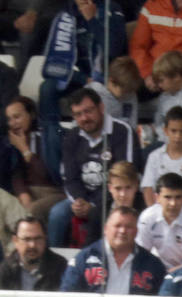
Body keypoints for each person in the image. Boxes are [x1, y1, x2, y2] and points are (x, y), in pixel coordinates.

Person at [38, 0, 127, 180]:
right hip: (77, 77)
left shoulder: (112, 9)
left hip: (106, 75)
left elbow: (117, 50)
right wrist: (82, 79)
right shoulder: (65, 14)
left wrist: (93, 20)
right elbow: (51, 66)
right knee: (47, 88)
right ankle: (54, 138)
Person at [47, 87, 142, 247]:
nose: (84, 118)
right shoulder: (72, 136)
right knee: (57, 214)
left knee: (100, 214)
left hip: (116, 197)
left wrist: (93, 205)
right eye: (78, 114)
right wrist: (79, 201)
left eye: (88, 111)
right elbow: (70, 178)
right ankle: (57, 266)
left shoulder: (122, 132)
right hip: (82, 198)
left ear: (101, 108)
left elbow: (127, 176)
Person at [61, 206, 167, 295]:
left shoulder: (153, 264)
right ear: (106, 229)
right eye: (117, 226)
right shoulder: (83, 258)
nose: (122, 231)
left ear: (136, 231)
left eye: (128, 227)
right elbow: (68, 295)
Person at [4, 96, 64, 224]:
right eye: (9, 119)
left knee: (32, 212)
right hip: (27, 193)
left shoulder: (48, 137)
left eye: (17, 117)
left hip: (53, 192)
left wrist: (24, 149)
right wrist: (23, 194)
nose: (13, 123)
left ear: (31, 115)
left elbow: (47, 174)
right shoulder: (13, 141)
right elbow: (16, 174)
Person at [137, 172, 182, 272]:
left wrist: (168, 275)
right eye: (167, 197)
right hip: (156, 268)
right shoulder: (147, 217)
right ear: (157, 198)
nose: (173, 203)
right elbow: (142, 254)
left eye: (178, 197)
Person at [141, 107, 182, 207]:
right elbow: (148, 188)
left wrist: (173, 211)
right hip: (156, 212)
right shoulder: (154, 156)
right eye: (173, 131)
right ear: (165, 131)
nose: (178, 136)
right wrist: (154, 213)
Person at [0, 215, 67, 290]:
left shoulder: (60, 267)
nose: (32, 245)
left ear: (45, 239)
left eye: (38, 239)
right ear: (15, 241)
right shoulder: (5, 269)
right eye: (26, 239)